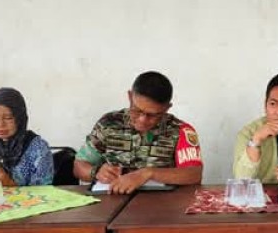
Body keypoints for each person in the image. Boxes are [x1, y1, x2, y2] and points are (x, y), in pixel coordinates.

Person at [73, 71, 203, 194]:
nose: (142, 120)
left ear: (166, 108)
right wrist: (96, 172)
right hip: (111, 202)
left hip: (162, 207)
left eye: (152, 115)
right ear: (130, 97)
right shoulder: (108, 124)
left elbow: (194, 174)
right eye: (136, 110)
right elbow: (78, 167)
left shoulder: (180, 130)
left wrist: (148, 173)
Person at [0, 88, 54, 187]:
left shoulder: (38, 149)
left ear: (20, 119)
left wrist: (11, 186)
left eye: (8, 118)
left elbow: (44, 193)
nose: (0, 124)